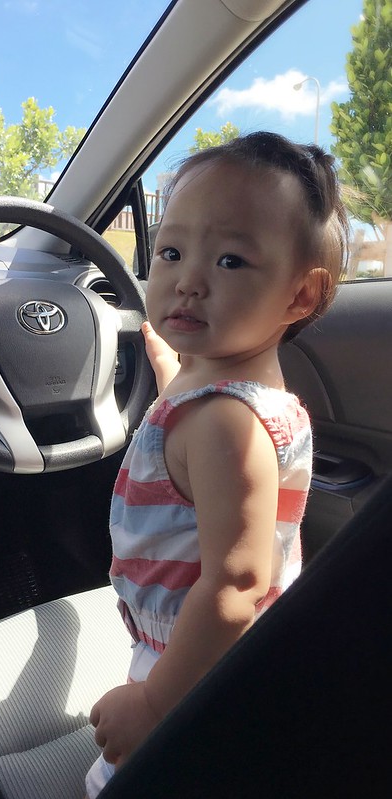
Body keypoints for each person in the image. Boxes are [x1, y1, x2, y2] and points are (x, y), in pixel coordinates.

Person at [84, 131, 349, 798]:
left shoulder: (223, 424)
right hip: (229, 648)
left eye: (230, 260)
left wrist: (153, 703)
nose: (187, 280)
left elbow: (234, 584)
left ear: (299, 296)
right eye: (170, 252)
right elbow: (195, 412)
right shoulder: (238, 390)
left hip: (188, 653)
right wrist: (171, 369)